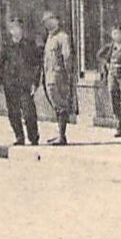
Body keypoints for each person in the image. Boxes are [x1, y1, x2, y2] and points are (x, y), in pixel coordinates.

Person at [0, 18, 42, 147]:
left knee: (29, 112)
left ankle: (33, 137)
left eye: (19, 28)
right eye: (13, 28)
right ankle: (19, 137)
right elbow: (0, 64)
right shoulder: (7, 46)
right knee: (13, 113)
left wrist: (35, 82)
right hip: (10, 84)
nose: (16, 31)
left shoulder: (29, 45)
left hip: (25, 85)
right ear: (10, 31)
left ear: (22, 30)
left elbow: (37, 65)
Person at [41, 12, 77, 144]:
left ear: (56, 20)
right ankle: (60, 135)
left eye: (49, 20)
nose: (46, 23)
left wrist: (68, 76)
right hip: (49, 76)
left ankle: (62, 136)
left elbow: (67, 58)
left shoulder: (63, 37)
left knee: (61, 105)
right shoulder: (50, 38)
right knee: (57, 106)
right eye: (45, 22)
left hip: (58, 77)